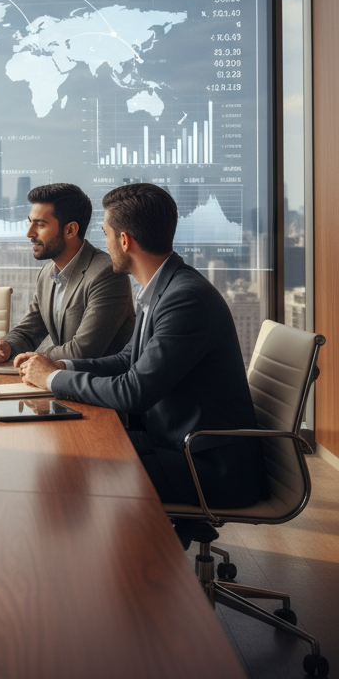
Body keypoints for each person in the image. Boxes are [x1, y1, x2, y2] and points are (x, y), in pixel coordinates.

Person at [16, 183, 266, 531]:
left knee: (73, 466)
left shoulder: (184, 299)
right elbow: (127, 358)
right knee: (74, 445)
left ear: (124, 240)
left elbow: (134, 392)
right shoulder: (165, 288)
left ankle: (138, 576)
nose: (102, 244)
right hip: (174, 443)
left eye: (105, 234)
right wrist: (61, 366)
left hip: (205, 464)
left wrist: (52, 380)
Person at [0, 183, 134, 365]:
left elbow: (82, 351)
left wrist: (31, 357)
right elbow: (29, 331)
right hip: (60, 382)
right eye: (30, 222)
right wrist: (5, 346)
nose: (29, 233)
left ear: (70, 230)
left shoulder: (106, 273)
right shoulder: (48, 272)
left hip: (98, 386)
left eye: (40, 225)